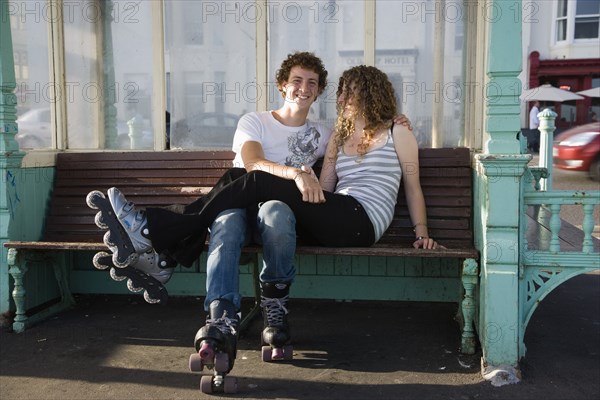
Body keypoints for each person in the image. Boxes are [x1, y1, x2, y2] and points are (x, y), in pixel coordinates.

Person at [88, 65, 437, 372]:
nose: (343, 97)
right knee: (243, 180)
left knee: (252, 178)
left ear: (370, 92)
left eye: (351, 90)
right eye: (342, 91)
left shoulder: (397, 131)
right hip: (336, 214)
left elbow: (413, 186)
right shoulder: (338, 137)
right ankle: (161, 249)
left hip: (363, 220)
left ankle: (153, 231)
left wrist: (422, 232)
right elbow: (325, 190)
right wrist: (310, 177)